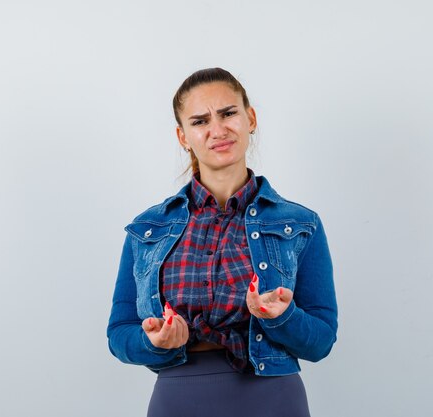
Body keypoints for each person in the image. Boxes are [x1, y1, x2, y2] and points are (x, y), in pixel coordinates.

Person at [107, 67, 338, 417]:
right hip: (178, 399)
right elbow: (119, 334)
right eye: (200, 121)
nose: (218, 130)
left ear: (250, 118)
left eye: (228, 113)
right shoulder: (147, 229)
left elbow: (321, 341)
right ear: (183, 136)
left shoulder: (300, 223)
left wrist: (282, 316)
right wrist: (152, 342)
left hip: (273, 399)